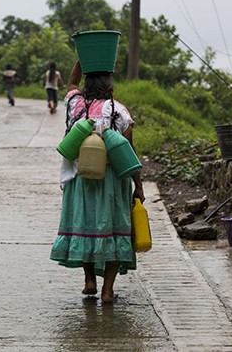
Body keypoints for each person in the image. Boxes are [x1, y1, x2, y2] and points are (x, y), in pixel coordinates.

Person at [50, 60, 145, 303]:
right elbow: (129, 151)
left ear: (85, 88)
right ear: (110, 88)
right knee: (113, 229)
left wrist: (83, 57)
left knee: (84, 226)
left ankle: (89, 279)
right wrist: (139, 187)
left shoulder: (75, 105)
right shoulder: (119, 111)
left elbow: (71, 83)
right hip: (112, 180)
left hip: (80, 178)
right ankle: (107, 290)